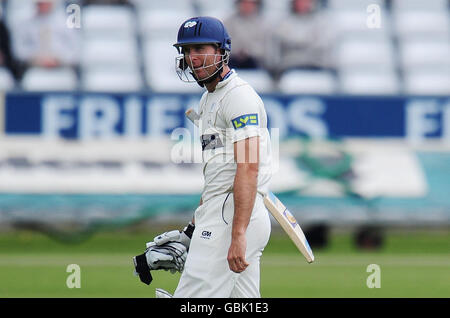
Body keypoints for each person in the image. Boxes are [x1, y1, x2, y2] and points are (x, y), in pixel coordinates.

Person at [133, 16, 273, 298]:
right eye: (187, 50)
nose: (192, 58)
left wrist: (237, 234)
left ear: (222, 51)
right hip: (223, 214)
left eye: (200, 49)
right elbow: (217, 177)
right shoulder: (208, 99)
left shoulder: (240, 98)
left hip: (231, 219)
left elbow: (248, 169)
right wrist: (191, 230)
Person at [269, 0, 334, 78]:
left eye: (306, 1)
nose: (302, 4)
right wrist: (308, 40)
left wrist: (297, 42)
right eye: (299, 1)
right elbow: (282, 40)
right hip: (290, 65)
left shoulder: (323, 21)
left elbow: (322, 44)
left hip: (316, 64)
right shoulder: (284, 22)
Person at [13, 0, 80, 69]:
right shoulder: (26, 24)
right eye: (41, 3)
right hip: (34, 69)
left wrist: (58, 59)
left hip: (62, 68)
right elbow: (19, 50)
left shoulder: (65, 23)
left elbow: (74, 49)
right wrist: (37, 59)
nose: (43, 5)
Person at [223, 0, 269, 69]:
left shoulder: (264, 24)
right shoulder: (228, 22)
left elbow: (265, 49)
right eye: (244, 2)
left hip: (256, 62)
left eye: (251, 3)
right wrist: (238, 51)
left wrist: (248, 51)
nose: (247, 6)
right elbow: (225, 45)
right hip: (233, 60)